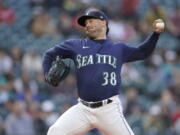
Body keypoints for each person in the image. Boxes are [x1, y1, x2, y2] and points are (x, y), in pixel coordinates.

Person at [42, 8, 164, 135]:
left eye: (90, 21)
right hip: (83, 109)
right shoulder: (76, 45)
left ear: (103, 23)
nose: (87, 25)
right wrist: (46, 74)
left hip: (108, 109)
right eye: (85, 23)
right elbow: (49, 55)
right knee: (55, 131)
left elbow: (143, 52)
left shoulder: (118, 48)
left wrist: (155, 34)